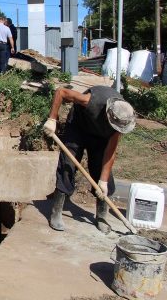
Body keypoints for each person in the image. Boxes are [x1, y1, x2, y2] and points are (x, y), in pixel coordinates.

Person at [43, 86, 136, 234]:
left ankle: (101, 217)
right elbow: (61, 91)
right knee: (68, 163)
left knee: (101, 169)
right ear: (108, 116)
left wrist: (103, 182)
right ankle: (57, 210)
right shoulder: (92, 101)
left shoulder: (121, 122)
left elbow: (110, 152)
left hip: (99, 136)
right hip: (78, 127)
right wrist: (52, 119)